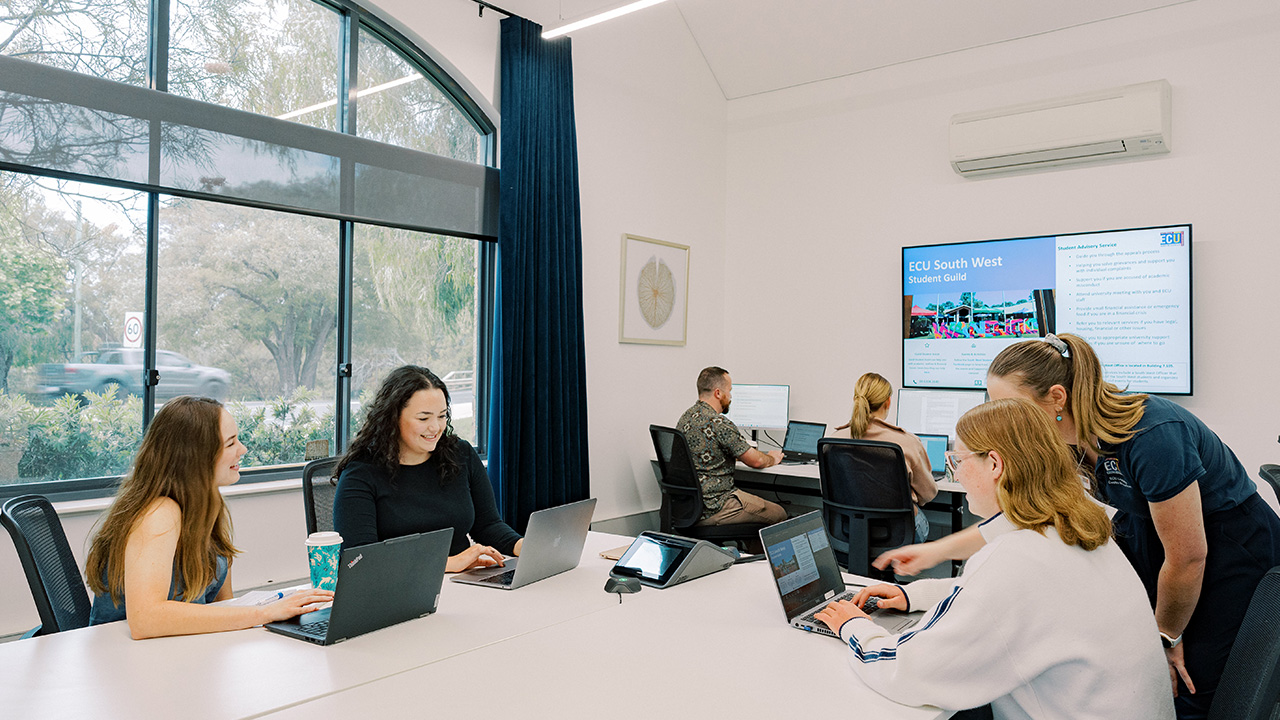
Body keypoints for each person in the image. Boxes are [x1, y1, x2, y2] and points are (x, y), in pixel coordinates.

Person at [877, 333, 1280, 720]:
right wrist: (935, 553)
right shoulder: (1066, 441)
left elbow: (1188, 556)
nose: (1004, 421)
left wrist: (1163, 636)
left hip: (1226, 545)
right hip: (1151, 535)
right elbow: (1036, 516)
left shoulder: (1153, 435)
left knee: (1191, 681)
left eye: (1013, 407)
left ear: (1056, 398)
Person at [815, 398, 1174, 719]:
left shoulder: (1017, 559)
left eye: (958, 460)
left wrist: (854, 627)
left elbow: (909, 673)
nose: (956, 472)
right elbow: (1012, 599)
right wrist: (914, 596)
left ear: (995, 464)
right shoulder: (1077, 527)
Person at [85, 396, 333, 639]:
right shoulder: (159, 513)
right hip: (126, 662)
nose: (243, 450)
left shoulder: (207, 504)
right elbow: (145, 619)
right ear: (195, 457)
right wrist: (264, 613)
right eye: (230, 443)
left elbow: (222, 604)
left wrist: (274, 615)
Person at [333, 365, 522, 572]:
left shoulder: (461, 454)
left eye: (441, 416)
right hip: (400, 591)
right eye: (423, 418)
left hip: (465, 582)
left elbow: (488, 526)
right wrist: (448, 563)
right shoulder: (361, 473)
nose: (435, 427)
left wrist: (523, 546)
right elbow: (359, 560)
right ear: (393, 418)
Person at [831, 372, 937, 543]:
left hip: (849, 528)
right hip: (897, 533)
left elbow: (827, 489)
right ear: (888, 402)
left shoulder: (833, 440)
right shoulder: (906, 442)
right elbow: (929, 494)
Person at [675, 366, 787, 526]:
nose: (731, 396)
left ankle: (749, 552)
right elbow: (757, 461)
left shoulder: (686, 417)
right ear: (718, 393)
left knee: (756, 514)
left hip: (687, 506)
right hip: (715, 506)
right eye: (730, 391)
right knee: (778, 513)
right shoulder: (719, 423)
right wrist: (772, 458)